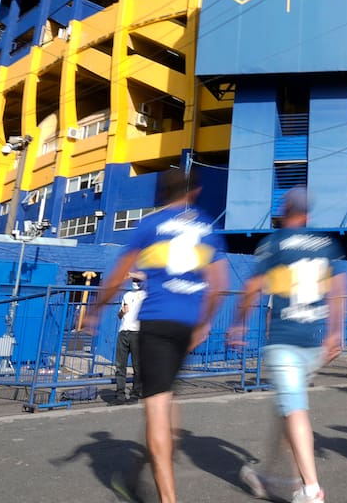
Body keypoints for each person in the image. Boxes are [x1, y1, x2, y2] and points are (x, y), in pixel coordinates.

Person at [88, 167, 229, 503]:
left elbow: (118, 273)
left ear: (161, 195)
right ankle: (137, 476)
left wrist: (95, 310)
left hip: (157, 323)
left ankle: (167, 498)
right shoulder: (206, 227)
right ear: (192, 193)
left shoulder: (150, 225)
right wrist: (203, 322)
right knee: (167, 401)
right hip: (186, 325)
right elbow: (219, 285)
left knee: (157, 409)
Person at [230, 187, 346, 503]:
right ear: (307, 213)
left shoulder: (275, 243)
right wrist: (336, 333)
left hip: (284, 342)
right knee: (287, 410)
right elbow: (338, 288)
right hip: (313, 342)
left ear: (287, 209)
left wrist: (238, 323)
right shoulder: (327, 244)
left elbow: (253, 288)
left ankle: (311, 490)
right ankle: (269, 476)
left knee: (294, 410)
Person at [111, 272, 146, 405]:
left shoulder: (146, 295)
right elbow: (120, 315)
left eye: (137, 280)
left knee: (137, 366)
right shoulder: (127, 295)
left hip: (137, 333)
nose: (135, 282)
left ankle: (135, 394)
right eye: (133, 280)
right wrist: (122, 311)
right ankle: (120, 394)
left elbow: (148, 277)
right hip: (123, 332)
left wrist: (132, 273)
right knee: (120, 365)